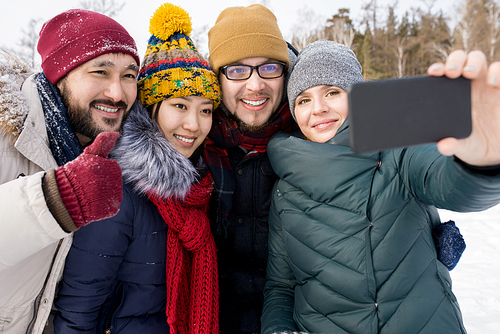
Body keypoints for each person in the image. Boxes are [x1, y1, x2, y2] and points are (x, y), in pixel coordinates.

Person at [261, 40, 500, 334]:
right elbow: (281, 286)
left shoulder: (398, 150)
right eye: (303, 100)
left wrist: (483, 161)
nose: (318, 108)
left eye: (332, 92)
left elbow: (450, 184)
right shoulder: (286, 190)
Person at [52, 4, 221, 334]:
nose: (193, 124)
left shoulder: (198, 187)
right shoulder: (116, 192)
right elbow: (77, 313)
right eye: (180, 106)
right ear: (152, 108)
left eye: (205, 110)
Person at [0, 9, 140, 334]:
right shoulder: (7, 137)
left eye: (129, 75)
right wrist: (54, 199)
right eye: (100, 72)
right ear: (59, 76)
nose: (117, 93)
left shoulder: (104, 152)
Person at [203, 4, 298, 333]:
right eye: (238, 70)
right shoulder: (189, 146)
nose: (256, 85)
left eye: (269, 67)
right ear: (217, 80)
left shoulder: (315, 137)